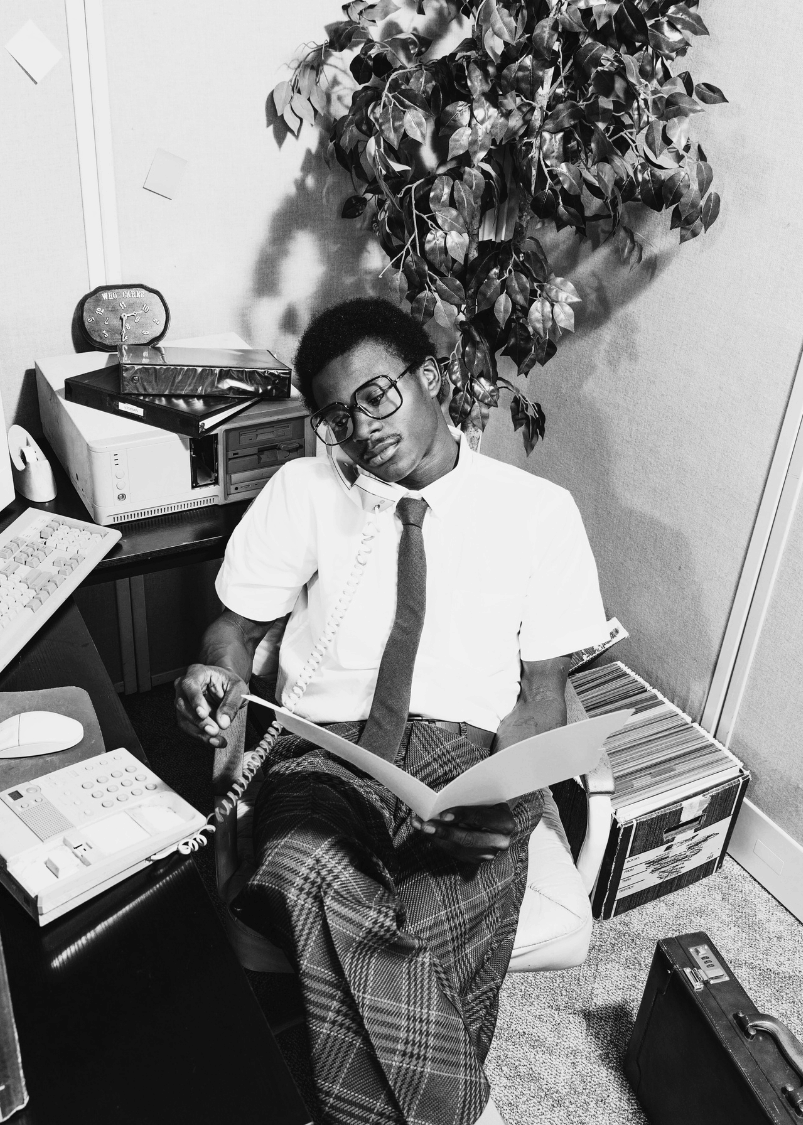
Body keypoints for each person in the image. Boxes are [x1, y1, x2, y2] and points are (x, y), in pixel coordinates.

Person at [175, 298, 608, 1125]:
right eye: (337, 417)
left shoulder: (538, 512)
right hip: (323, 751)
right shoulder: (303, 492)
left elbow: (543, 699)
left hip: (466, 759)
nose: (361, 429)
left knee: (394, 910)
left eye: (375, 396)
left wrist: (496, 791)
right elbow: (233, 633)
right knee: (306, 865)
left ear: (433, 378)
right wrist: (212, 673)